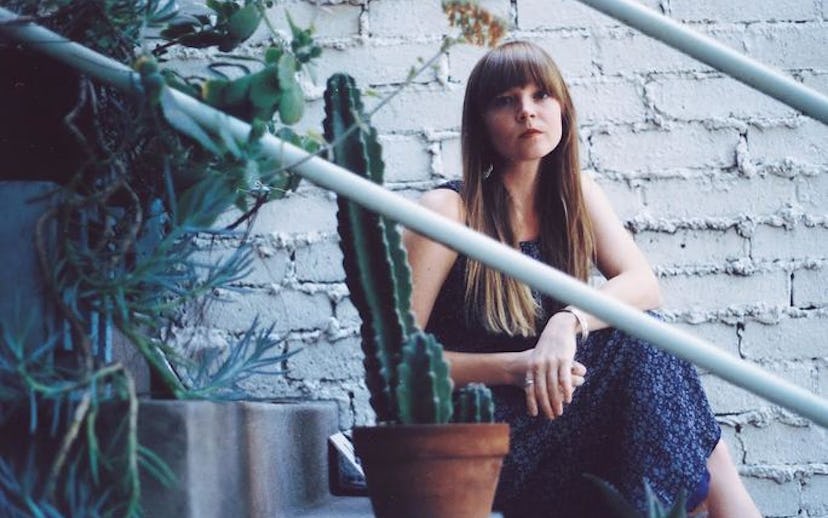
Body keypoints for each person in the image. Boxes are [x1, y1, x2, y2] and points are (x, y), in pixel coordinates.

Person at [402, 40, 760, 517]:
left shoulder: (576, 197)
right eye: (506, 101)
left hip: (558, 407)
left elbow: (642, 284)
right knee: (640, 344)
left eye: (540, 96)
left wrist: (566, 324)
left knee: (645, 335)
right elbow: (398, 362)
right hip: (482, 428)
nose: (527, 112)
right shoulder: (449, 211)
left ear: (563, 109)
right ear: (481, 123)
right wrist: (519, 365)